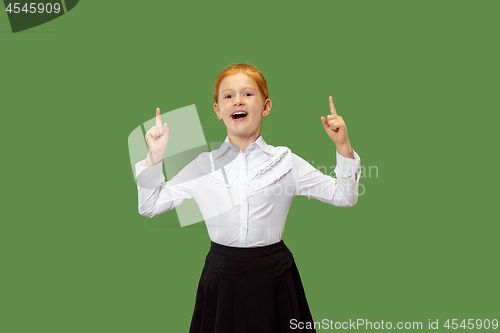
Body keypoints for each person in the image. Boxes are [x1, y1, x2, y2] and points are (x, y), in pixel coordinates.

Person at [135, 64, 361, 333]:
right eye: (228, 96)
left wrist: (343, 147)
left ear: (265, 106)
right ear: (218, 110)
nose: (238, 101)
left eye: (247, 94)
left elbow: (344, 196)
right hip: (220, 277)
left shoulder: (286, 162)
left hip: (274, 276)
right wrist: (154, 159)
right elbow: (149, 205)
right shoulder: (202, 165)